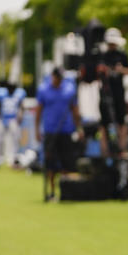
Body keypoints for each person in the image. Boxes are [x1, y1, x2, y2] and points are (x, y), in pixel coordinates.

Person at [35, 67, 82, 201]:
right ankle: (51, 191)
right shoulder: (43, 89)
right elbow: (38, 111)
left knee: (66, 163)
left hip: (66, 131)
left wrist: (79, 128)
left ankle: (64, 192)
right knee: (50, 164)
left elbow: (75, 110)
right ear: (52, 76)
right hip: (50, 131)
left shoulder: (69, 89)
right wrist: (37, 130)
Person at [98, 27, 128, 156]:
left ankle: (121, 148)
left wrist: (120, 70)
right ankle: (105, 150)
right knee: (104, 123)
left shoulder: (122, 55)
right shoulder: (102, 56)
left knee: (121, 121)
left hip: (119, 93)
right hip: (105, 93)